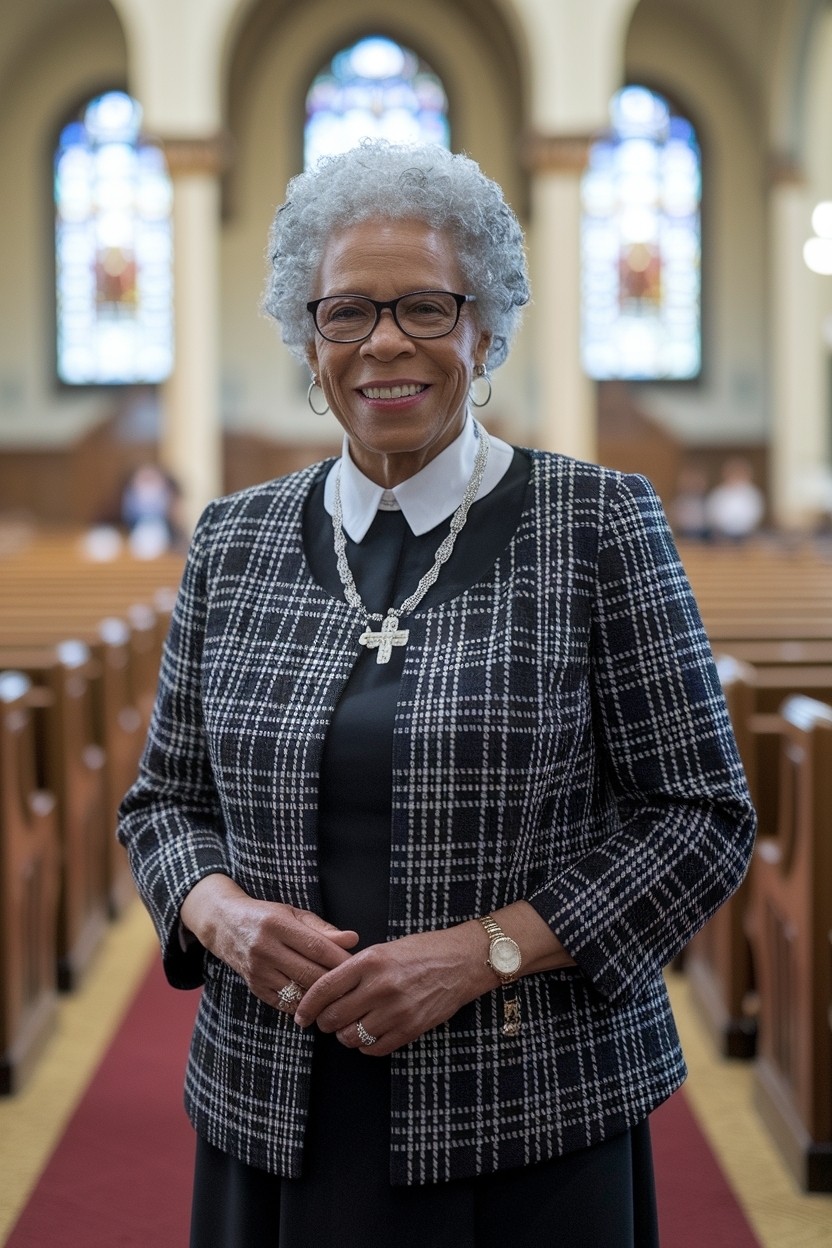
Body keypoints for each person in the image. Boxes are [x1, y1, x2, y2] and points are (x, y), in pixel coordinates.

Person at [117, 142, 756, 1248]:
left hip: (527, 1112)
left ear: (485, 324)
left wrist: (483, 952)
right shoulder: (234, 538)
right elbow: (160, 807)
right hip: (273, 1099)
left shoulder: (595, 524)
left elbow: (701, 820)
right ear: (306, 339)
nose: (383, 345)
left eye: (424, 305)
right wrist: (219, 915)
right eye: (346, 313)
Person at [705, 457, 764, 540]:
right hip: (722, 536)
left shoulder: (752, 493)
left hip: (747, 536)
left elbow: (756, 514)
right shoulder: (719, 493)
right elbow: (712, 513)